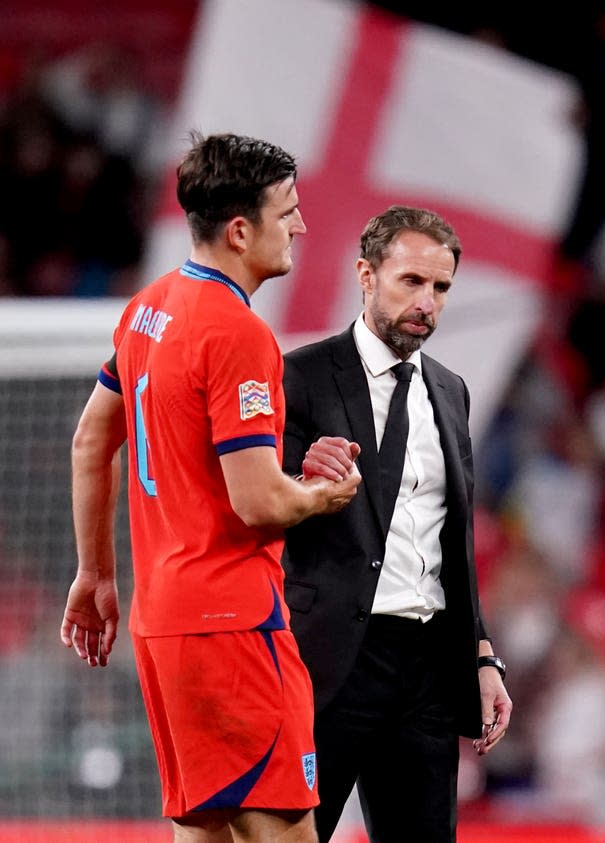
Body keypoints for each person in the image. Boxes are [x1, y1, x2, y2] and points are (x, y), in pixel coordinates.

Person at [59, 131, 360, 843]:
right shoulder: (238, 333)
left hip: (161, 622)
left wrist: (95, 572)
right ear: (238, 229)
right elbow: (259, 502)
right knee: (284, 832)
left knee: (204, 834)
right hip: (234, 625)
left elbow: (89, 439)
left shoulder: (147, 310)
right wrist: (326, 492)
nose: (301, 225)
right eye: (287, 212)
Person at [281, 205, 512, 842]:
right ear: (366, 274)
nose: (427, 302)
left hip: (429, 668)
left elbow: (452, 541)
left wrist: (483, 656)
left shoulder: (451, 389)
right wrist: (300, 481)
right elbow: (255, 508)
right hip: (329, 662)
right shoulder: (301, 376)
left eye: (440, 287)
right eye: (411, 281)